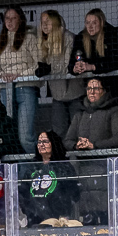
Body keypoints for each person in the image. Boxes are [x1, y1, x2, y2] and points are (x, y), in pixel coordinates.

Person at [0, 6, 41, 155]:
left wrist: (19, 76)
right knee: (10, 135)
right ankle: (20, 171)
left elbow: (39, 65)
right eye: (7, 18)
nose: (10, 22)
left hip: (25, 89)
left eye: (13, 18)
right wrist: (2, 77)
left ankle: (39, 165)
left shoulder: (30, 38)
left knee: (25, 136)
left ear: (20, 20)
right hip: (6, 91)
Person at [38, 11, 84, 140]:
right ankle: (62, 159)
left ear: (56, 22)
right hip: (57, 95)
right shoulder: (43, 42)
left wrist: (49, 69)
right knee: (59, 131)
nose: (44, 25)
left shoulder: (68, 38)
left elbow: (66, 67)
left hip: (75, 93)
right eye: (42, 22)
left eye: (48, 21)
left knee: (78, 130)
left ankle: (80, 159)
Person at [20, 130, 78, 226]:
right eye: (39, 142)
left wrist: (64, 213)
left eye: (45, 141)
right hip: (35, 219)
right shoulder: (32, 167)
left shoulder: (64, 166)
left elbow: (73, 192)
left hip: (59, 219)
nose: (41, 145)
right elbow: (23, 192)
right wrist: (29, 211)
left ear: (53, 143)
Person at [64, 79, 118, 152]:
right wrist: (76, 145)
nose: (92, 92)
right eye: (89, 89)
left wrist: (94, 145)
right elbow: (68, 140)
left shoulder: (114, 111)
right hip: (82, 161)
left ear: (104, 91)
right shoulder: (80, 113)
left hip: (105, 160)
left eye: (96, 89)